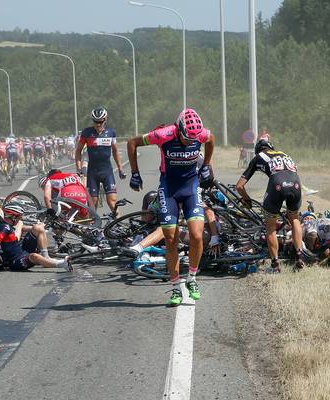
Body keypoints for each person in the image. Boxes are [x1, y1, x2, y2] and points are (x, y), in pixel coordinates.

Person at [127, 108, 215, 306]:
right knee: (170, 238)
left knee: (197, 235)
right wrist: (135, 172)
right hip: (169, 190)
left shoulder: (199, 134)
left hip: (191, 188)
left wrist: (206, 165)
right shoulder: (163, 134)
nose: (189, 142)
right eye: (186, 138)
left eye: (194, 140)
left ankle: (192, 279)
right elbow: (132, 142)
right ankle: (176, 287)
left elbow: (211, 139)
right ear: (179, 129)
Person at [235, 138, 304, 273]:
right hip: (295, 183)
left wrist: (247, 199)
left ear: (258, 150)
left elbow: (239, 186)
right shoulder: (284, 154)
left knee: (270, 225)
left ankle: (275, 264)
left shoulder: (258, 157)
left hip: (277, 183)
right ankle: (299, 257)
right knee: (295, 219)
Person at [0, 203, 73, 277]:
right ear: (13, 217)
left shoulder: (8, 226)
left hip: (22, 250)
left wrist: (43, 227)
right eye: (19, 217)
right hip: (15, 261)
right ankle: (62, 264)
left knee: (37, 228)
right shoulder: (4, 228)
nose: (20, 219)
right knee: (34, 256)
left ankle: (46, 258)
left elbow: (24, 228)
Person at [75, 107, 126, 211]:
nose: (98, 124)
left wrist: (120, 168)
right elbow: (78, 151)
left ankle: (118, 224)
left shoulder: (111, 132)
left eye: (100, 122)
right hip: (93, 172)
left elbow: (115, 151)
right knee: (92, 205)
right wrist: (79, 169)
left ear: (105, 119)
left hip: (107, 171)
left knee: (112, 202)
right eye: (95, 122)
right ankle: (93, 226)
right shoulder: (86, 132)